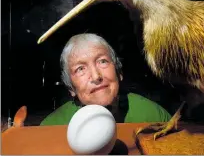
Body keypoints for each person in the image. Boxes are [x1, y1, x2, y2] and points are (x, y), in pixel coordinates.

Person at [40, 33, 171, 125]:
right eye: (80, 69)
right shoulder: (51, 128)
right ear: (70, 87)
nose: (96, 76)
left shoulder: (153, 117)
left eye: (102, 61)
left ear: (119, 72)